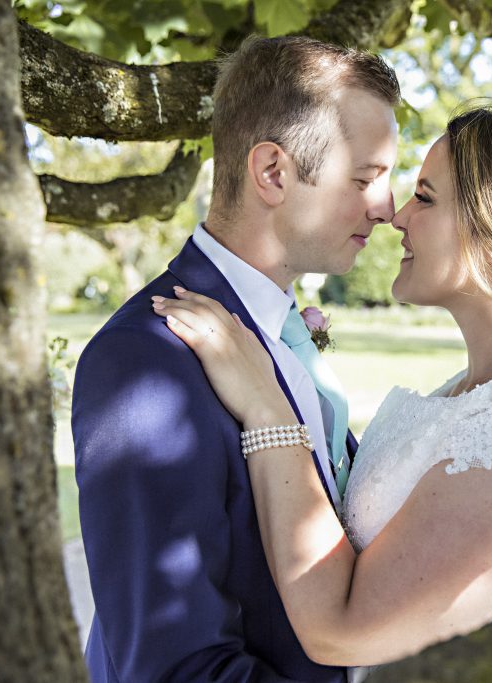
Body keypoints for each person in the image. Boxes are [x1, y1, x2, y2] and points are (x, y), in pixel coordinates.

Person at [151, 106, 492, 666]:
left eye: (426, 198)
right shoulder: (484, 388)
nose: (396, 216)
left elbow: (343, 631)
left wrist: (268, 411)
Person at [71, 35, 400, 682]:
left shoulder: (284, 331)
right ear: (273, 172)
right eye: (365, 178)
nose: (387, 208)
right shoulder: (145, 360)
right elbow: (177, 668)